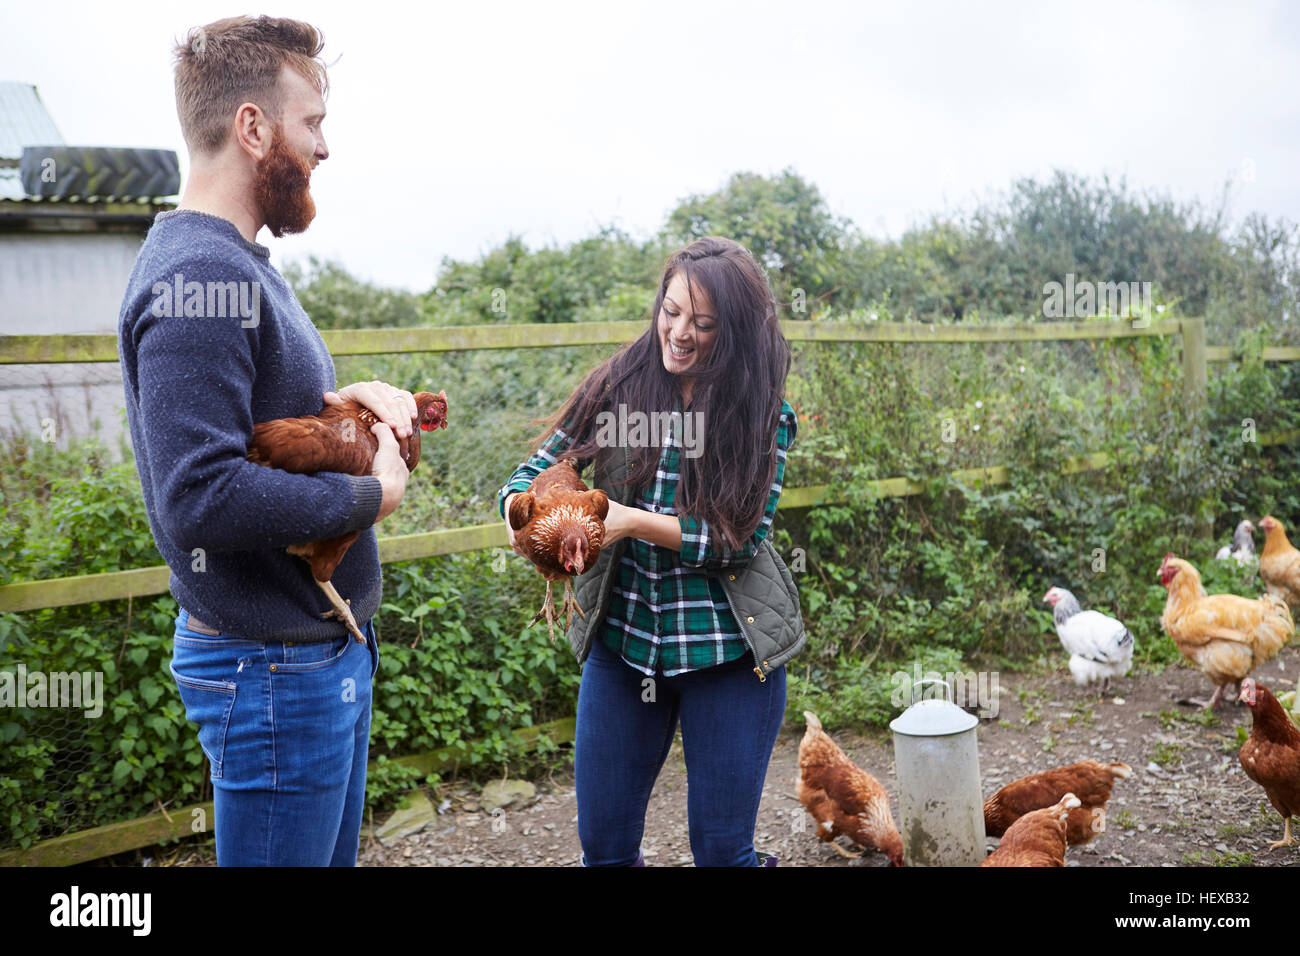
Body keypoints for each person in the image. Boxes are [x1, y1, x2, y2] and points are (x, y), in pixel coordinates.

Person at [118, 16, 418, 866]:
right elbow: (199, 495)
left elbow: (249, 425)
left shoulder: (237, 265)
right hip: (273, 672)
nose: (325, 148)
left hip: (305, 660)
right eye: (312, 123)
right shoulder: (202, 276)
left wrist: (345, 408)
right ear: (253, 127)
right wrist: (372, 494)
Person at [499, 236, 805, 866]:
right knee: (604, 849)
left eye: (704, 323)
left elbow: (737, 540)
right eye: (671, 312)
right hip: (626, 647)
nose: (680, 333)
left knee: (722, 853)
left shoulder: (757, 412)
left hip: (726, 651)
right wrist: (520, 514)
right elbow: (528, 473)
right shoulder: (621, 385)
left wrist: (631, 521)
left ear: (737, 331)